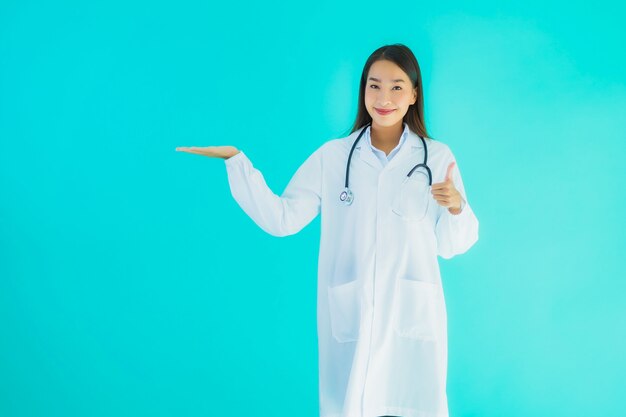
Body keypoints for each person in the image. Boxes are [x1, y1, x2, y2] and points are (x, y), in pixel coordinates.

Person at [176, 43, 479, 417]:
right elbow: (283, 219)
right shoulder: (334, 157)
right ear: (363, 90)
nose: (384, 97)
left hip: (410, 322)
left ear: (414, 94)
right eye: (374, 85)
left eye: (397, 86)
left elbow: (453, 245)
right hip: (353, 321)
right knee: (352, 404)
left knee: (413, 403)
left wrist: (456, 206)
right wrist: (236, 160)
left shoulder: (437, 158)